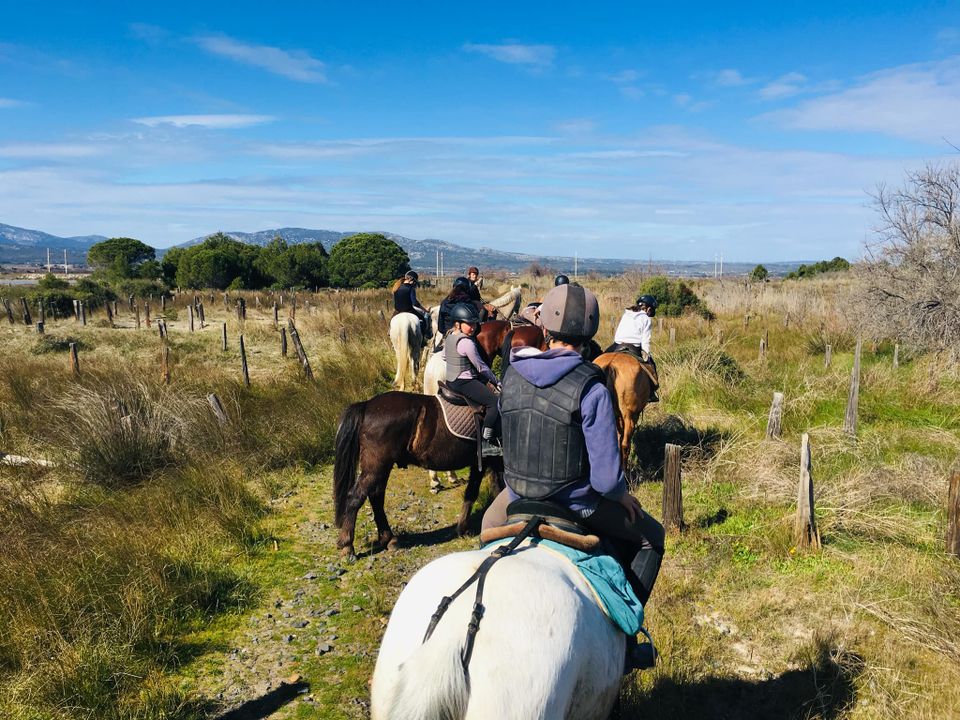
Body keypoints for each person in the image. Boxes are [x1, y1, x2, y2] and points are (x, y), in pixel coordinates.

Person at [483, 283, 664, 666]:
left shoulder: (511, 374)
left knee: (485, 526)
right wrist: (622, 495)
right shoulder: (591, 386)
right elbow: (606, 481)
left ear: (544, 329)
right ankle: (627, 638)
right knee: (652, 538)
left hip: (515, 497)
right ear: (589, 336)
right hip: (574, 505)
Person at [444, 303, 501, 455]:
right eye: (469, 324)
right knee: (494, 403)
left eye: (474, 323)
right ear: (458, 324)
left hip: (450, 380)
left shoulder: (450, 337)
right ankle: (486, 443)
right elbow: (481, 367)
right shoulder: (467, 342)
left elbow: (444, 356)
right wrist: (497, 381)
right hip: (465, 383)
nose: (473, 327)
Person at [607, 294, 659, 402]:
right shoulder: (646, 319)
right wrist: (646, 354)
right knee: (651, 366)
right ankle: (651, 392)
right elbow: (645, 341)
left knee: (600, 357)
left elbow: (618, 334)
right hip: (634, 347)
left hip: (618, 344)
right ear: (648, 308)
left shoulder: (626, 314)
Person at [392, 270, 431, 342]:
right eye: (415, 282)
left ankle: (390, 333)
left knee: (391, 322)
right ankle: (422, 340)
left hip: (398, 311)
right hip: (409, 310)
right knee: (423, 320)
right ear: (412, 280)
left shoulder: (397, 287)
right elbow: (415, 303)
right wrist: (425, 310)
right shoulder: (410, 288)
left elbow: (394, 301)